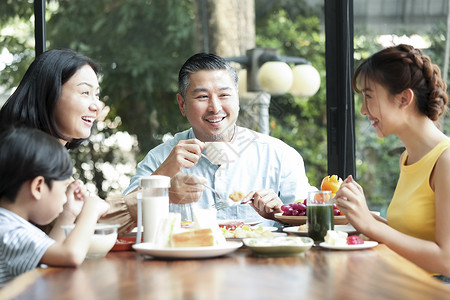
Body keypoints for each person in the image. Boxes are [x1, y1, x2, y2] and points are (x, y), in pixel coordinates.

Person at [102, 52, 316, 230]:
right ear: (182, 104)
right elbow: (121, 221)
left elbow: (313, 222)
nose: (215, 107)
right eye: (202, 97)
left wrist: (280, 214)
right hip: (185, 273)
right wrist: (164, 177)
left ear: (237, 100)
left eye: (224, 95)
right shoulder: (160, 158)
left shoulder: (278, 155)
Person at [334, 44, 450, 277]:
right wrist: (362, 215)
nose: (363, 110)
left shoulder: (445, 161)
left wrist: (371, 224)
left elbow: (446, 261)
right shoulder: (408, 157)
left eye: (368, 96)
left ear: (404, 98)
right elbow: (411, 238)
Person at [0, 48, 109, 233]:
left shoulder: (51, 157)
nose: (96, 106)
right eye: (85, 92)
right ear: (50, 93)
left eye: (96, 95)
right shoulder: (21, 158)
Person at [0, 127, 110, 287]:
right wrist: (91, 210)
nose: (65, 195)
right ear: (38, 187)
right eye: (63, 186)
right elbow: (70, 255)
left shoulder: (10, 224)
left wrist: (69, 213)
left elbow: (53, 254)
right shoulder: (12, 233)